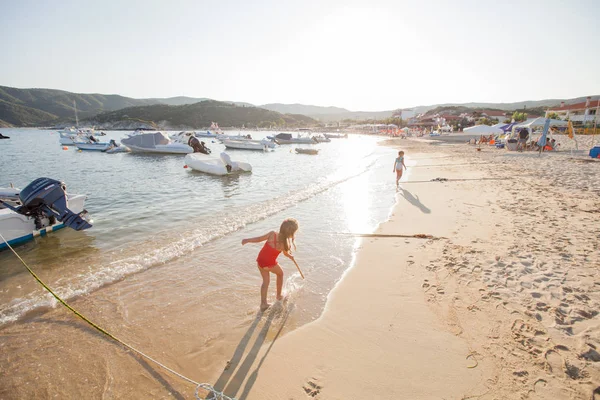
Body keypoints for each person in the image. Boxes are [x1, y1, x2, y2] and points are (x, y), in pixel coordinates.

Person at [241, 218, 299, 311]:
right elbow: (285, 253)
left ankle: (263, 303)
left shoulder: (272, 234)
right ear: (291, 233)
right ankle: (279, 295)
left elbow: (259, 239)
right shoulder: (285, 244)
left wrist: (247, 240)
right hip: (269, 263)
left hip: (260, 261)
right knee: (280, 274)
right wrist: (290, 256)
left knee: (265, 282)